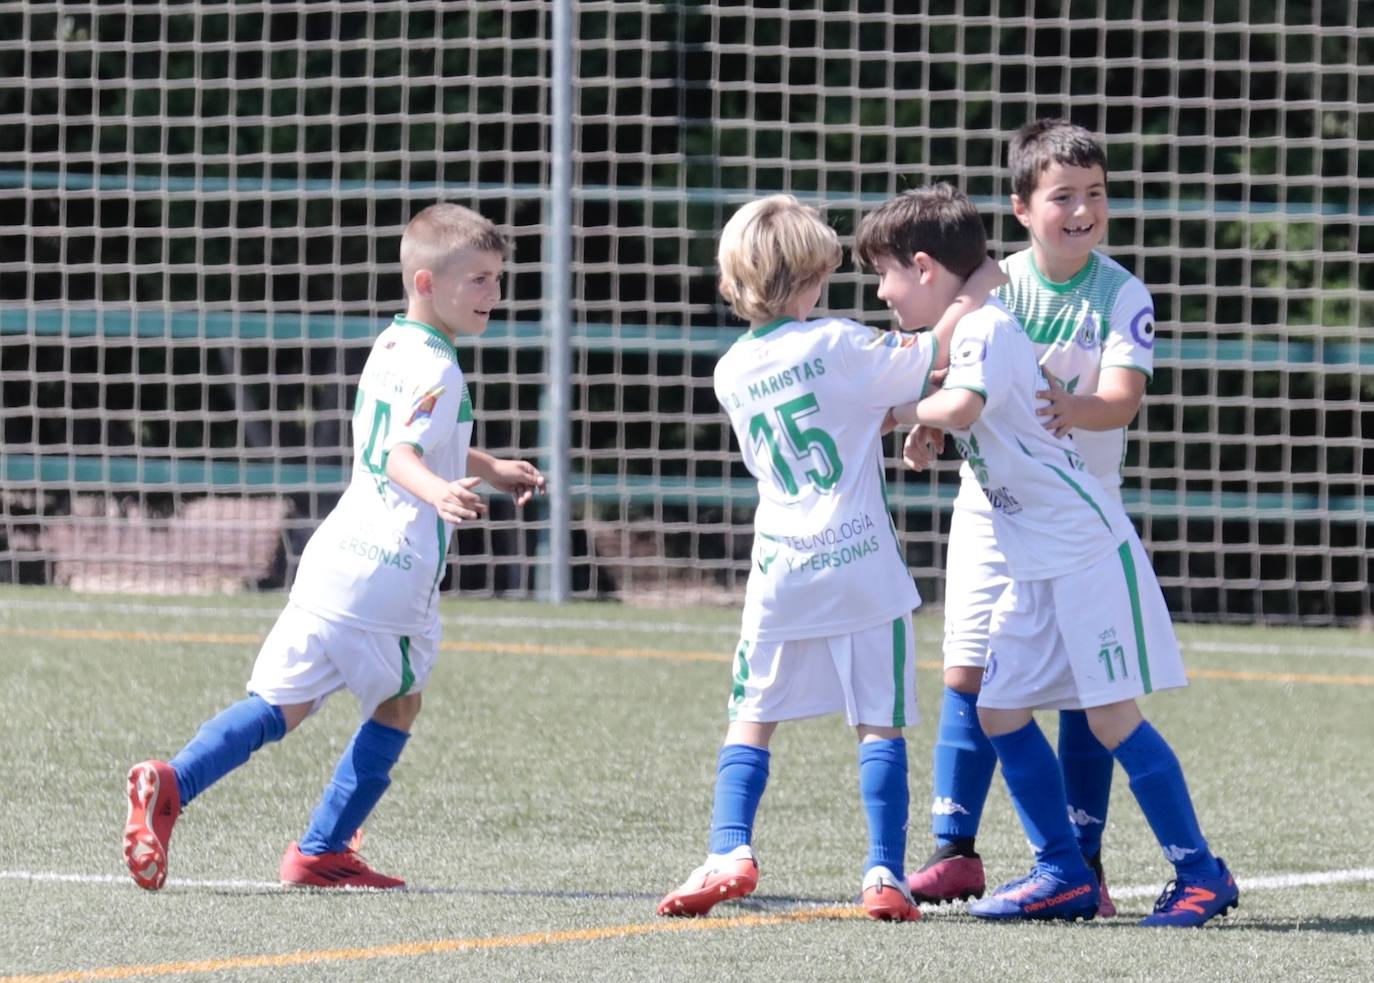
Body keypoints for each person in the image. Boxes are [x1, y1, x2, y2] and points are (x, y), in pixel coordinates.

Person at [122, 203, 546, 891]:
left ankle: (172, 781)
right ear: (425, 282)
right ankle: (321, 847)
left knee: (274, 708)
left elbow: (411, 437)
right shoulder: (442, 369)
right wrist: (438, 491)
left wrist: (489, 467)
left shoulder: (391, 344)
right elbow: (401, 451)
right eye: (479, 280)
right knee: (399, 704)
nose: (494, 295)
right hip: (391, 573)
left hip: (329, 563)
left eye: (498, 279)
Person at [868, 182, 1236, 925]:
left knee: (1110, 719)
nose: (882, 293)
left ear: (924, 266)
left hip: (1082, 551)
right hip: (1035, 557)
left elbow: (966, 402)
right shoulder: (977, 323)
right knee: (1000, 707)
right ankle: (1063, 869)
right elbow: (968, 403)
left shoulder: (985, 331)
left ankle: (1201, 873)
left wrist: (890, 413)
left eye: (886, 275)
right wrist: (929, 420)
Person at [656, 193, 1001, 922]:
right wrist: (977, 286)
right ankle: (883, 871)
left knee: (751, 713)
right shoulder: (841, 344)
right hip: (862, 564)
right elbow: (935, 350)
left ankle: (729, 848)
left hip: (781, 568)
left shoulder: (731, 372)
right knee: (879, 721)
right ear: (811, 279)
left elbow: (841, 414)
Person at [901, 120, 1158, 916]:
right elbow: (941, 362)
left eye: (1095, 195)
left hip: (1079, 517)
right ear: (1021, 207)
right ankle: (954, 849)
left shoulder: (1122, 292)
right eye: (1062, 197)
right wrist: (932, 418)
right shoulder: (993, 286)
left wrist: (1069, 406)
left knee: (1088, 685)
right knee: (969, 668)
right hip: (992, 506)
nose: (1082, 210)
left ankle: (1084, 859)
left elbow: (1121, 400)